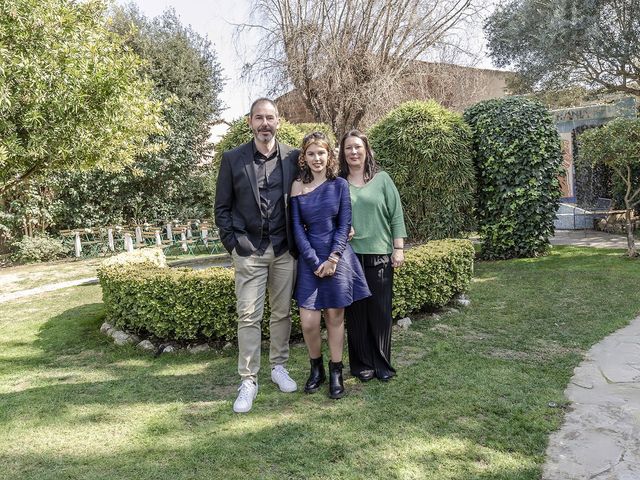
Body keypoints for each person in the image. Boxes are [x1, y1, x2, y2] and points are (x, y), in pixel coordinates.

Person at [214, 98, 299, 413]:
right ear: (250, 121)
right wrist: (233, 244)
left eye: (270, 118)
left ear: (279, 121)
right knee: (248, 315)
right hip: (249, 251)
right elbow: (222, 208)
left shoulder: (293, 157)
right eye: (259, 118)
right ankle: (248, 379)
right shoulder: (233, 158)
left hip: (283, 249)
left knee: (281, 313)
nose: (265, 124)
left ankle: (279, 367)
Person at [291, 132, 371, 399]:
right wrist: (315, 261)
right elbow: (297, 231)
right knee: (309, 322)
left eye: (321, 153)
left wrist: (334, 257)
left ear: (329, 155)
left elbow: (344, 224)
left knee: (335, 317)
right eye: (311, 153)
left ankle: (336, 371)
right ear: (304, 157)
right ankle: (316, 369)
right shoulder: (297, 187)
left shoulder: (339, 185)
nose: (317, 158)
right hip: (309, 259)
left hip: (338, 258)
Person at [338, 129, 407, 382]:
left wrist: (398, 248)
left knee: (380, 312)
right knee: (356, 314)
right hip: (350, 257)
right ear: (342, 153)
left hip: (380, 255)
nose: (353, 152)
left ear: (366, 150)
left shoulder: (383, 179)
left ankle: (382, 364)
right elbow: (331, 215)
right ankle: (361, 365)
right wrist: (342, 227)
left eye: (357, 147)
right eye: (348, 148)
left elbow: (396, 214)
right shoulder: (339, 182)